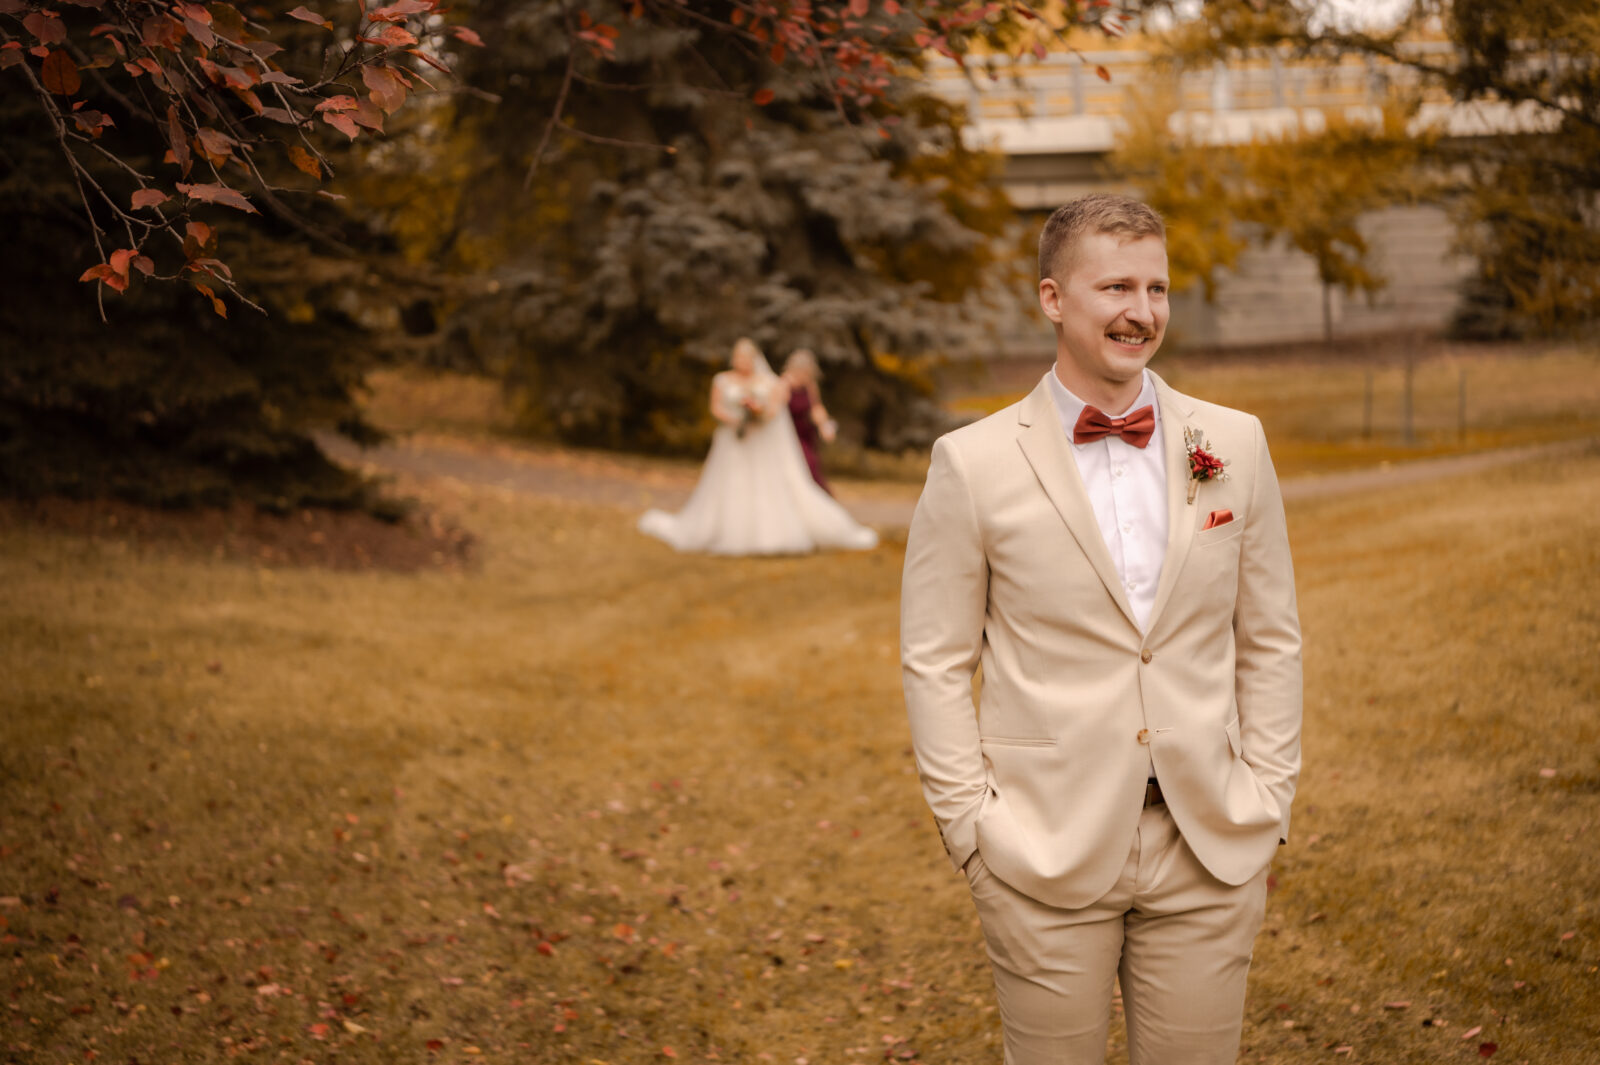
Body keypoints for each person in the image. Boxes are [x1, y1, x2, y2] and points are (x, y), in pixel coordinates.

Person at [900, 194, 1302, 1065]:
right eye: (1116, 287)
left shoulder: (1235, 443)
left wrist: (1268, 795)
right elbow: (935, 660)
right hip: (1041, 848)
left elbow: (1271, 637)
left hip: (1208, 843)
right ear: (1052, 298)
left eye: (1157, 288)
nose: (1142, 311)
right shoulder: (971, 463)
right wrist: (971, 829)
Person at [639, 338, 877, 556]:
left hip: (765, 442)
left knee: (768, 484)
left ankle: (768, 534)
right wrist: (736, 419)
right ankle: (728, 532)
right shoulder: (725, 380)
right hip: (732, 442)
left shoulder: (769, 382)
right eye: (738, 357)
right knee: (731, 484)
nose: (742, 362)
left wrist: (758, 413)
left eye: (746, 358)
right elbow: (716, 408)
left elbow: (778, 411)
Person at [781, 349, 838, 494]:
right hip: (790, 433)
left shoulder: (809, 385)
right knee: (806, 463)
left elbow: (816, 408)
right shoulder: (784, 384)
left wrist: (825, 426)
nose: (804, 376)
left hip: (806, 432)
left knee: (813, 464)